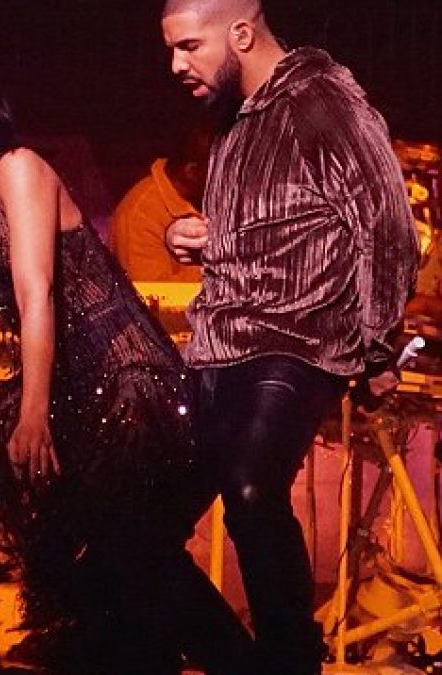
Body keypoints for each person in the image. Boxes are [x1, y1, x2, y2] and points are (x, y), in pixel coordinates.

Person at [0, 37, 254, 675]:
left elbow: (37, 294)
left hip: (132, 383)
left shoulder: (19, 170)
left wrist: (32, 415)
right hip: (63, 387)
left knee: (114, 548)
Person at [160, 0, 419, 672]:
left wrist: (376, 349)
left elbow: (389, 228)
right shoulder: (233, 119)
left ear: (242, 34)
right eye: (172, 49)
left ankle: (288, 660)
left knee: (251, 489)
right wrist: (187, 236)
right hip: (216, 348)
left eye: (190, 46)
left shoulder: (322, 102)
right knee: (131, 531)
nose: (176, 65)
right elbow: (268, 228)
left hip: (297, 342)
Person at [108, 127, 210, 282]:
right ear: (192, 172)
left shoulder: (210, 196)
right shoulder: (139, 214)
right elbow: (149, 292)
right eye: (223, 169)